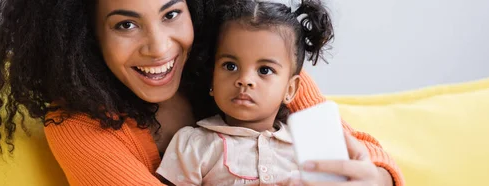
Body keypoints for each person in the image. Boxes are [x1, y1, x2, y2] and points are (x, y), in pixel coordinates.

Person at [0, 0, 403, 185]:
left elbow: (357, 150)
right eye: (125, 24)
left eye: (172, 13)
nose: (159, 47)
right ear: (83, 36)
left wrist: (378, 178)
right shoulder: (79, 129)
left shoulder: (248, 64)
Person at [156, 0, 399, 185]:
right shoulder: (193, 144)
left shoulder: (308, 144)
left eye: (264, 70)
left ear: (291, 89)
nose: (244, 80)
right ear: (212, 78)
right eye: (230, 66)